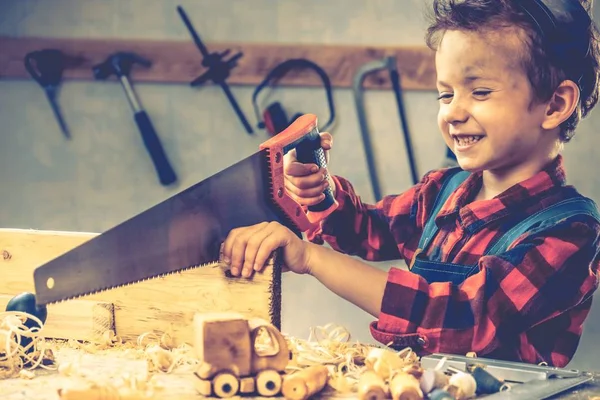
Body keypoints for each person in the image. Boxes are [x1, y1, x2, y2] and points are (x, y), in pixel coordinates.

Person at [221, 0, 600, 367]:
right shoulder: (442, 192)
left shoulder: (570, 231)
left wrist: (310, 258)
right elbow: (367, 229)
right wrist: (321, 194)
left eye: (480, 92)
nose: (452, 111)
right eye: (445, 94)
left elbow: (462, 318)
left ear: (554, 105)